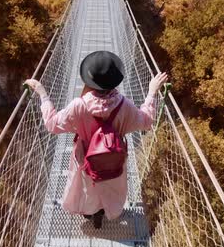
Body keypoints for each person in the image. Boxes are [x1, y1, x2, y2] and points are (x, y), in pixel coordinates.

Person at [25, 51, 168, 229]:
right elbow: (146, 122)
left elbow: (52, 125)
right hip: (114, 156)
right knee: (110, 184)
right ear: (114, 81)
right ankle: (105, 211)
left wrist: (43, 94)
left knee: (88, 186)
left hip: (85, 158)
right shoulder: (124, 105)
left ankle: (91, 213)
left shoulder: (78, 105)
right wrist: (152, 92)